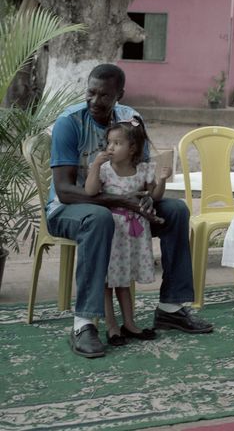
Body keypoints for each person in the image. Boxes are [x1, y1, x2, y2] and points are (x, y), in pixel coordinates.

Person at [48, 64, 213, 359]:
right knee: (99, 219)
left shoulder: (130, 119)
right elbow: (63, 190)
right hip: (71, 209)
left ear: (119, 95)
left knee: (175, 210)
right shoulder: (69, 122)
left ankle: (171, 308)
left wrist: (147, 198)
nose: (95, 101)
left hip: (125, 206)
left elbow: (144, 175)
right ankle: (84, 324)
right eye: (91, 92)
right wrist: (118, 202)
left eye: (105, 95)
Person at [84, 116, 167, 346]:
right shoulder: (105, 171)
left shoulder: (142, 170)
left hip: (133, 234)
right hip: (112, 232)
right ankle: (112, 327)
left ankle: (129, 323)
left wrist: (162, 180)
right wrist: (95, 166)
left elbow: (155, 196)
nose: (110, 147)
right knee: (108, 282)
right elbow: (90, 191)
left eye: (117, 143)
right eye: (108, 143)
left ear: (132, 148)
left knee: (123, 281)